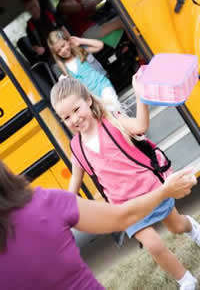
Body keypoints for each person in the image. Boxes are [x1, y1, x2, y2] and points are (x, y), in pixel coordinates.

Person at [50, 76, 200, 290]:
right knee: (154, 245)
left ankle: (192, 228)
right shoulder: (77, 148)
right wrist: (63, 209)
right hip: (125, 207)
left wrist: (140, 96)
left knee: (176, 226)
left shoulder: (112, 122)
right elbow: (75, 180)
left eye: (76, 109)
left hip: (151, 191)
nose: (73, 119)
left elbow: (140, 126)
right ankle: (186, 280)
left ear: (88, 101)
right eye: (66, 117)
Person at [0, 159, 197, 290]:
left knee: (174, 227)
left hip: (131, 194)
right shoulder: (45, 203)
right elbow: (122, 217)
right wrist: (164, 191)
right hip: (123, 202)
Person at [48, 30, 120, 111]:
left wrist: (80, 41)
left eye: (63, 45)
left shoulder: (80, 51)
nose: (63, 51)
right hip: (90, 98)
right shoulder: (61, 68)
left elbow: (100, 45)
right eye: (58, 51)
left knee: (114, 110)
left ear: (68, 41)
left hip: (102, 86)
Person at [20, 0, 70, 65]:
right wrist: (37, 49)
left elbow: (63, 29)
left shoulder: (50, 14)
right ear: (26, 10)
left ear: (38, 2)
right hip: (51, 58)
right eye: (30, 8)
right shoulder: (29, 27)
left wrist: (71, 42)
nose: (34, 10)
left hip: (64, 47)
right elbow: (34, 46)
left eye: (35, 5)